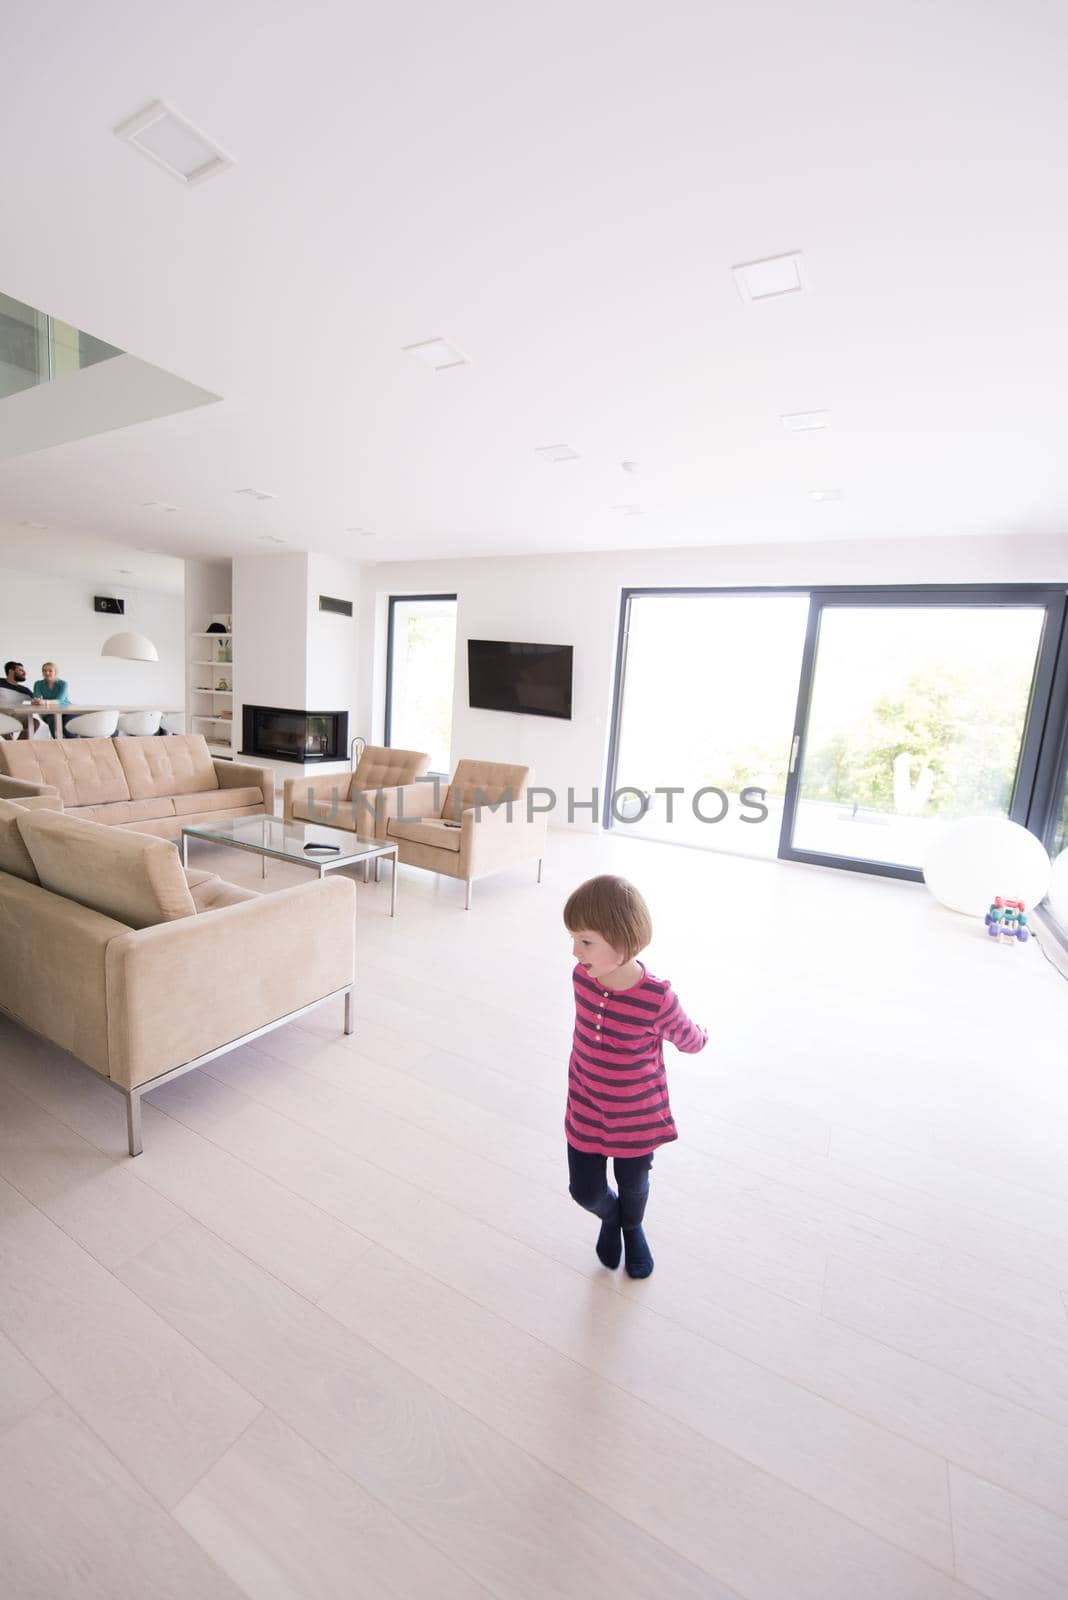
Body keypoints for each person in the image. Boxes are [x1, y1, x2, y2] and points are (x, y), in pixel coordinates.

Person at [563, 874, 707, 1279]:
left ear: (622, 943)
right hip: (585, 1103)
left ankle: (632, 1225)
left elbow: (687, 1037)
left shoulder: (656, 998)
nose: (575, 951)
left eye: (586, 941)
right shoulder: (582, 978)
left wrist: (701, 1038)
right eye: (573, 938)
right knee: (585, 1190)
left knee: (635, 1186)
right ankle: (612, 1218)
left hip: (635, 1116)